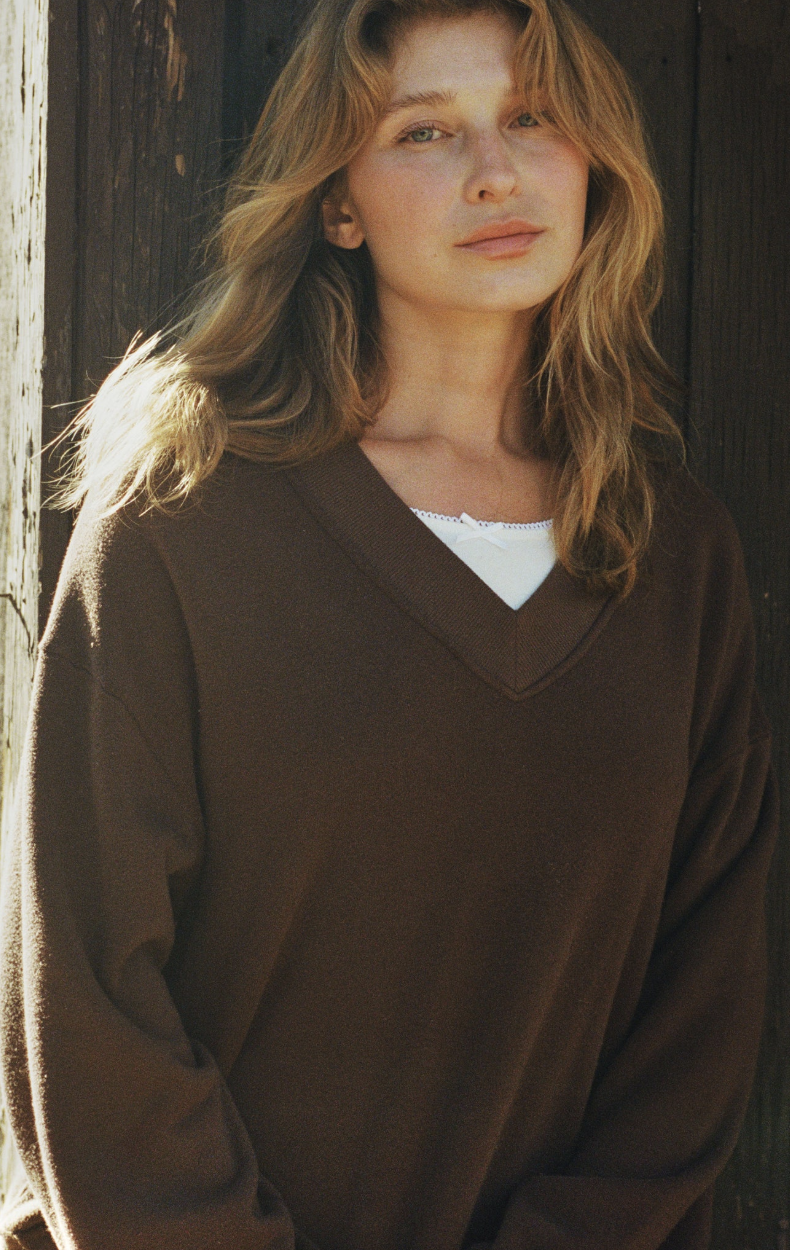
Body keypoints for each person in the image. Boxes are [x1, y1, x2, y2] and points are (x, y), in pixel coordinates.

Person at [0, 0, 778, 1246]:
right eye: (425, 131)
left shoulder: (671, 559)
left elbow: (698, 1025)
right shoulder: (185, 518)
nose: (494, 171)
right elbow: (83, 994)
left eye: (532, 117)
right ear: (338, 202)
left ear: (593, 162)